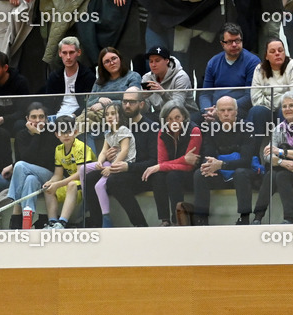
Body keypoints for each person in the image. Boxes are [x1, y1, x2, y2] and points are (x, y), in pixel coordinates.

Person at [253, 90, 293, 224]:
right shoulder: (278, 128)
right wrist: (283, 162)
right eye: (284, 106)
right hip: (285, 168)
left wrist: (281, 154)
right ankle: (257, 218)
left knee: (280, 175)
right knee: (272, 175)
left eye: (291, 105)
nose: (287, 109)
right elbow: (267, 155)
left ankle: (289, 218)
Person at [191, 95, 256, 225]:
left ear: (236, 112)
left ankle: (244, 218)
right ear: (217, 112)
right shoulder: (211, 129)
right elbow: (208, 154)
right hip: (220, 174)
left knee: (240, 173)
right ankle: (201, 219)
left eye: (230, 110)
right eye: (222, 110)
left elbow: (246, 160)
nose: (226, 114)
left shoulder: (247, 127)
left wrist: (222, 164)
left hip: (243, 174)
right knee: (200, 173)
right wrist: (208, 166)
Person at [105, 90, 159, 227]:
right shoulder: (118, 126)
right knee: (90, 177)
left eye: (132, 102)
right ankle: (98, 224)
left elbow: (154, 161)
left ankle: (140, 225)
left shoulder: (152, 127)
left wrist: (129, 167)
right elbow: (112, 150)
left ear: (141, 104)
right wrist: (109, 155)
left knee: (114, 181)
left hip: (142, 175)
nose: (127, 105)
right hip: (120, 170)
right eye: (124, 101)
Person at [145, 99, 202, 226]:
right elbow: (162, 161)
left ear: (184, 117)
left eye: (177, 117)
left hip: (191, 175)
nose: (174, 122)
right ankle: (165, 220)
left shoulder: (194, 131)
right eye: (169, 119)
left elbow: (189, 165)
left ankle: (178, 219)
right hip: (173, 171)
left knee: (172, 175)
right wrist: (182, 159)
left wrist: (161, 166)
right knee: (157, 176)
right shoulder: (162, 132)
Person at [76, 102, 132, 228]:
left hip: (122, 164)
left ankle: (106, 219)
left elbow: (124, 151)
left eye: (113, 114)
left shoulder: (123, 130)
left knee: (99, 186)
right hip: (110, 162)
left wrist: (111, 168)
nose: (110, 116)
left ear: (120, 116)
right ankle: (86, 202)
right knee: (83, 169)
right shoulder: (108, 133)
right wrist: (100, 161)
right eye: (107, 114)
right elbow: (103, 151)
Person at [6, 102, 59, 230]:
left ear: (46, 119)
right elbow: (24, 158)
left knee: (19, 166)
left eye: (41, 117)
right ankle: (26, 223)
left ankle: (16, 211)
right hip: (29, 175)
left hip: (49, 175)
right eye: (34, 117)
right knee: (30, 180)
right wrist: (36, 135)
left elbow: (44, 160)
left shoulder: (52, 134)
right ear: (27, 119)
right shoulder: (21, 135)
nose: (37, 120)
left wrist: (37, 134)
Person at [198, 24, 261, 124]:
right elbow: (205, 93)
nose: (235, 44)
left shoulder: (253, 62)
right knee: (195, 118)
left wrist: (223, 110)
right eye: (230, 42)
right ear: (222, 44)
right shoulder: (213, 62)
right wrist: (208, 111)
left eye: (238, 40)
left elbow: (250, 96)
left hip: (239, 110)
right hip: (214, 110)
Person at [41, 115, 96, 229]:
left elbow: (81, 174)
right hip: (74, 183)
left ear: (75, 132)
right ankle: (52, 222)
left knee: (71, 184)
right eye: (62, 132)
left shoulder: (81, 147)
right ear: (57, 134)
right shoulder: (58, 149)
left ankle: (62, 223)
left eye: (69, 131)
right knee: (48, 188)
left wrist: (58, 184)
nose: (66, 135)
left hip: (88, 183)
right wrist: (51, 183)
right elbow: (58, 175)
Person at [251, 38, 293, 133]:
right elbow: (255, 99)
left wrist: (270, 99)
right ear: (266, 56)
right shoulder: (259, 69)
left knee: (285, 110)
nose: (277, 53)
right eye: (272, 51)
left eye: (280, 50)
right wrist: (281, 99)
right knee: (256, 111)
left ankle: (283, 147)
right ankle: (254, 147)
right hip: (271, 111)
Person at [141, 45, 194, 117]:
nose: (153, 65)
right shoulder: (147, 78)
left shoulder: (181, 77)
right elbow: (144, 110)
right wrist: (142, 98)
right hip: (160, 114)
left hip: (186, 113)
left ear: (167, 61)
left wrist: (163, 93)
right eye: (151, 61)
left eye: (157, 61)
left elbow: (178, 106)